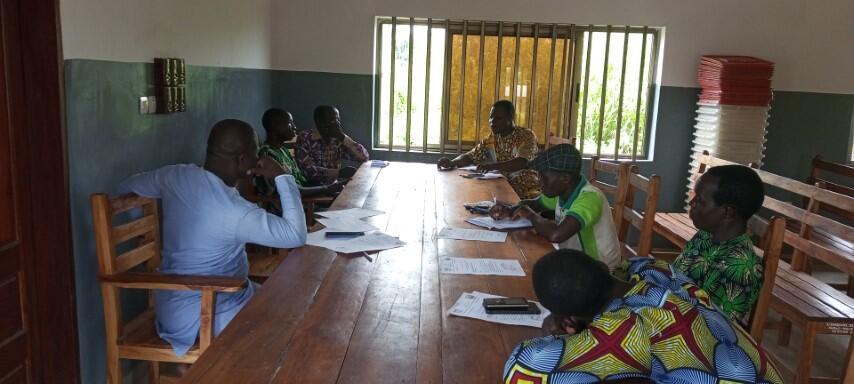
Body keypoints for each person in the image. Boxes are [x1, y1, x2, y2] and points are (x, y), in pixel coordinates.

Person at [117, 119, 307, 357]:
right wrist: (282, 176)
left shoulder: (175, 175)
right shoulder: (235, 211)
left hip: (174, 305)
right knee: (292, 331)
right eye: (255, 153)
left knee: (288, 302)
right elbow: (296, 234)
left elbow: (128, 186)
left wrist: (140, 228)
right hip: (204, 313)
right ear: (242, 161)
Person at [503, 249, 782, 383]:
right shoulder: (655, 270)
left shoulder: (621, 332)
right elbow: (627, 265)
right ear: (602, 265)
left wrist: (549, 329)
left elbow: (523, 369)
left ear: (569, 321)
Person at [490, 144, 621, 271]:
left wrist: (529, 214)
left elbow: (556, 234)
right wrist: (511, 209)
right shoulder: (562, 191)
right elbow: (534, 204)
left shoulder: (589, 198)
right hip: (576, 263)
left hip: (601, 272)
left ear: (565, 178)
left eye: (543, 176)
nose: (539, 181)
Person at [673, 164, 765, 323]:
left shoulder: (739, 267)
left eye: (700, 200)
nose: (691, 202)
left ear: (728, 212)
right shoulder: (704, 236)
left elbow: (714, 331)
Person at [436, 100, 541, 199]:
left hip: (528, 194)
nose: (492, 122)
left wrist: (492, 166)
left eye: (498, 118)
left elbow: (521, 162)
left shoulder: (526, 135)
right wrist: (452, 162)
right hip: (504, 189)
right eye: (491, 117)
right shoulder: (492, 138)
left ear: (510, 118)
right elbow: (471, 156)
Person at [244, 108, 345, 211]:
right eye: (290, 123)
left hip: (303, 200)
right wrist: (327, 189)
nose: (294, 127)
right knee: (341, 213)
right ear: (275, 126)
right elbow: (291, 190)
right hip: (290, 209)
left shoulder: (283, 150)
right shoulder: (268, 155)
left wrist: (329, 189)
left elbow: (301, 181)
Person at [295, 105, 369, 185]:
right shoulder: (305, 138)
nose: (337, 123)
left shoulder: (337, 139)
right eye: (332, 120)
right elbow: (307, 170)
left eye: (338, 119)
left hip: (332, 187)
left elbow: (363, 157)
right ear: (319, 122)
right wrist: (338, 173)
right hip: (311, 188)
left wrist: (342, 136)